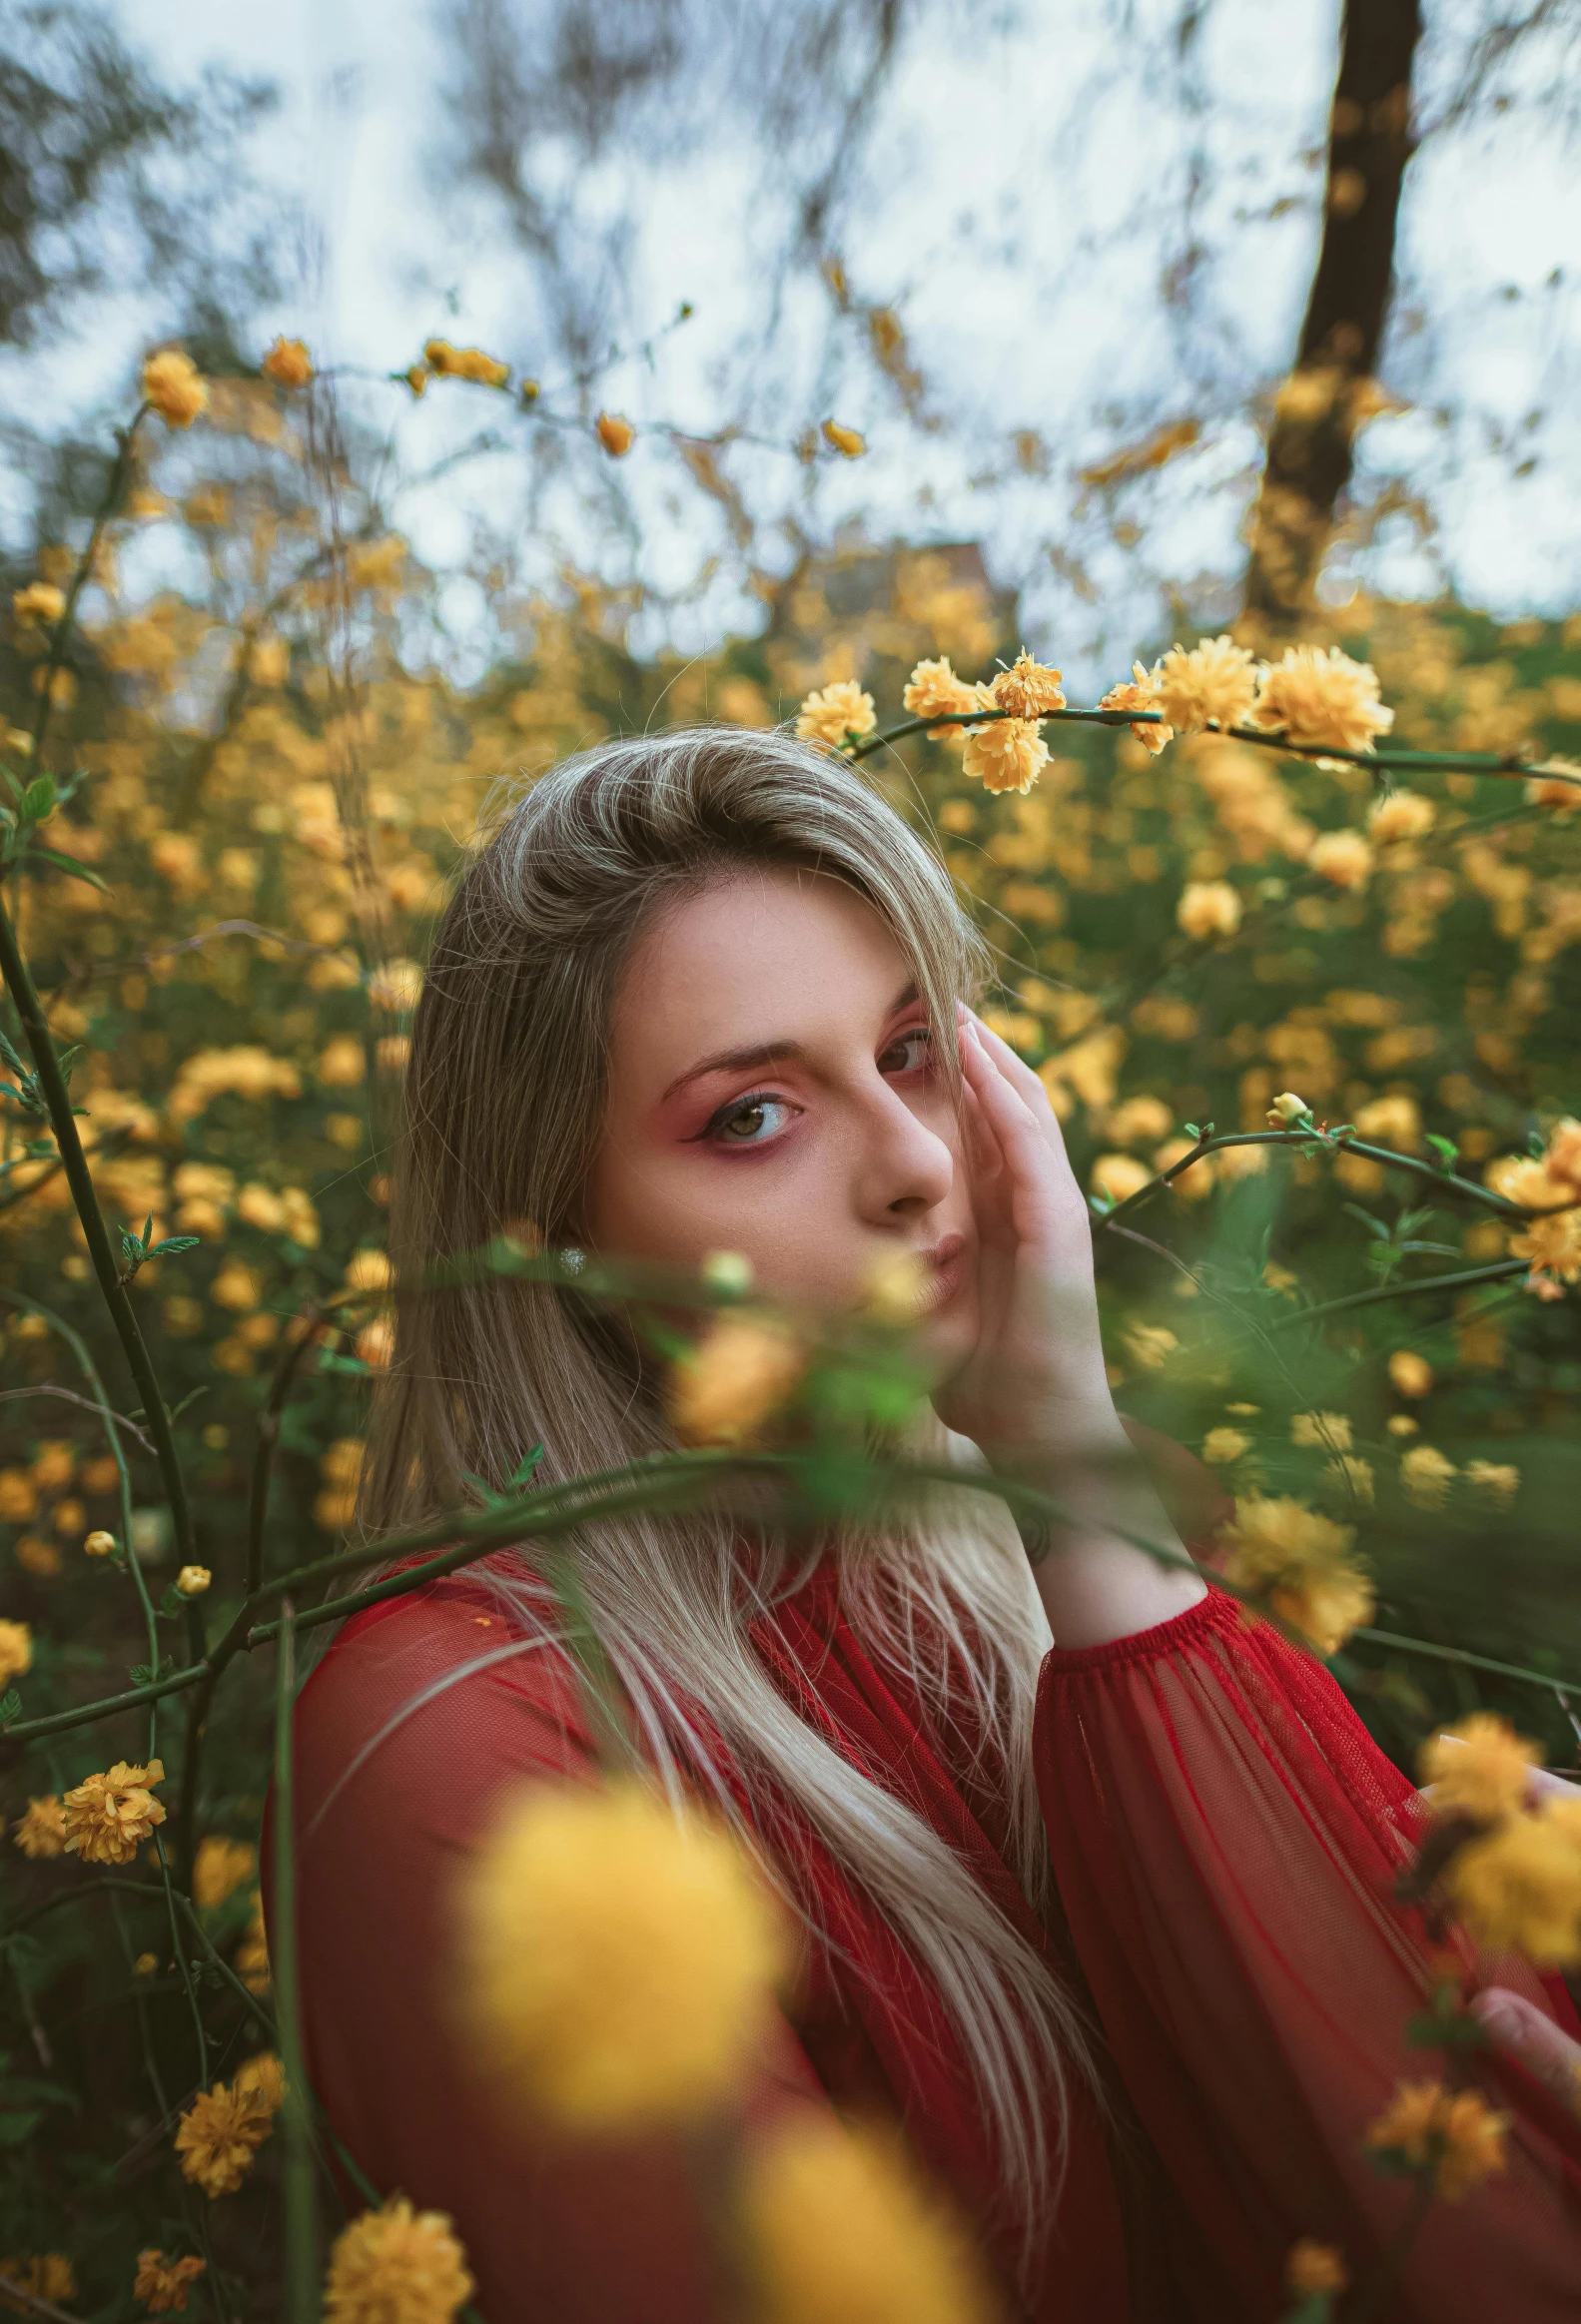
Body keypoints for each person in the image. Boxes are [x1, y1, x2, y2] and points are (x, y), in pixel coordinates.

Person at [282, 729, 1581, 2321]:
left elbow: (1398, 2155)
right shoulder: (467, 1738)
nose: (912, 1166)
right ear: (544, 1239)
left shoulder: (1077, 1552)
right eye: (751, 1115)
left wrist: (1062, 1460)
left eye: (909, 1051)